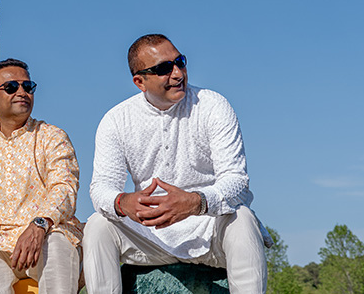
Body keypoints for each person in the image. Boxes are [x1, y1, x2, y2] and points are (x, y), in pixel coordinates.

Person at [84, 34, 269, 294]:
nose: (178, 73)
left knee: (242, 218)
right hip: (149, 234)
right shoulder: (116, 120)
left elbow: (237, 181)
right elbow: (101, 187)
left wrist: (195, 202)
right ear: (139, 82)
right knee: (98, 225)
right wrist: (122, 202)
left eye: (180, 62)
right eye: (163, 68)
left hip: (209, 229)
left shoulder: (213, 105)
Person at [0, 58, 82, 294]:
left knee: (58, 242)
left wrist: (39, 225)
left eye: (27, 87)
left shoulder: (52, 136)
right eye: (11, 87)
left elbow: (65, 187)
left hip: (48, 234)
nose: (21, 92)